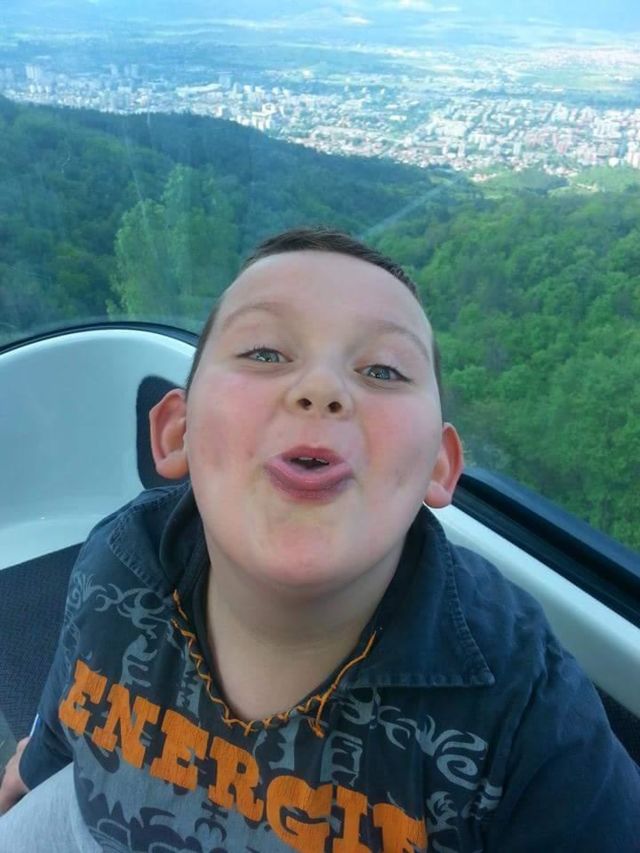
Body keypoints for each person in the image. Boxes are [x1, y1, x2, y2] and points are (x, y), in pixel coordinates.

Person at [0, 227, 638, 852]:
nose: (322, 390)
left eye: (383, 370)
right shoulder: (121, 559)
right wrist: (34, 769)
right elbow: (75, 696)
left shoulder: (523, 703)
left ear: (440, 467)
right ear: (177, 430)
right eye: (265, 353)